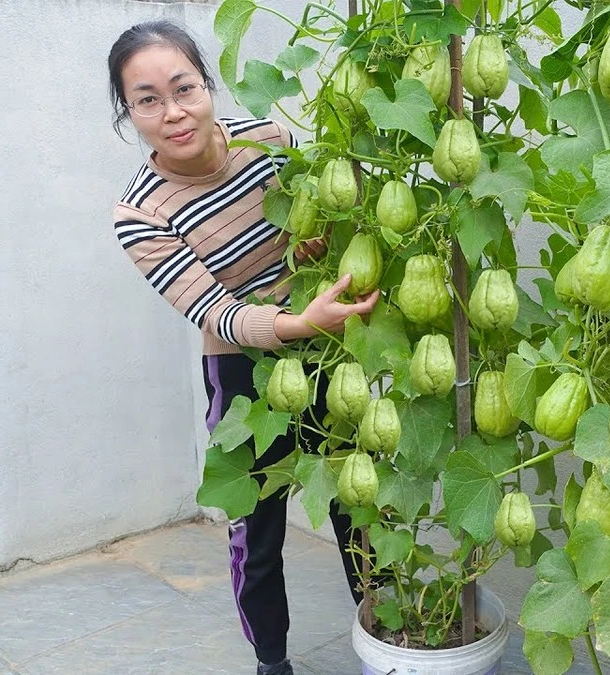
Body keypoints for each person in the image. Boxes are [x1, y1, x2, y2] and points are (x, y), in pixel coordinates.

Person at [107, 20, 378, 675]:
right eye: (147, 99)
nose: (173, 111)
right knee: (255, 525)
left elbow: (324, 222)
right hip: (243, 367)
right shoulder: (139, 213)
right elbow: (214, 310)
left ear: (207, 85)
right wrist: (294, 322)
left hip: (325, 346)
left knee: (360, 500)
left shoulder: (271, 141)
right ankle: (273, 661)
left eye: (184, 88)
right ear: (128, 112)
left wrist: (326, 243)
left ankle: (390, 632)